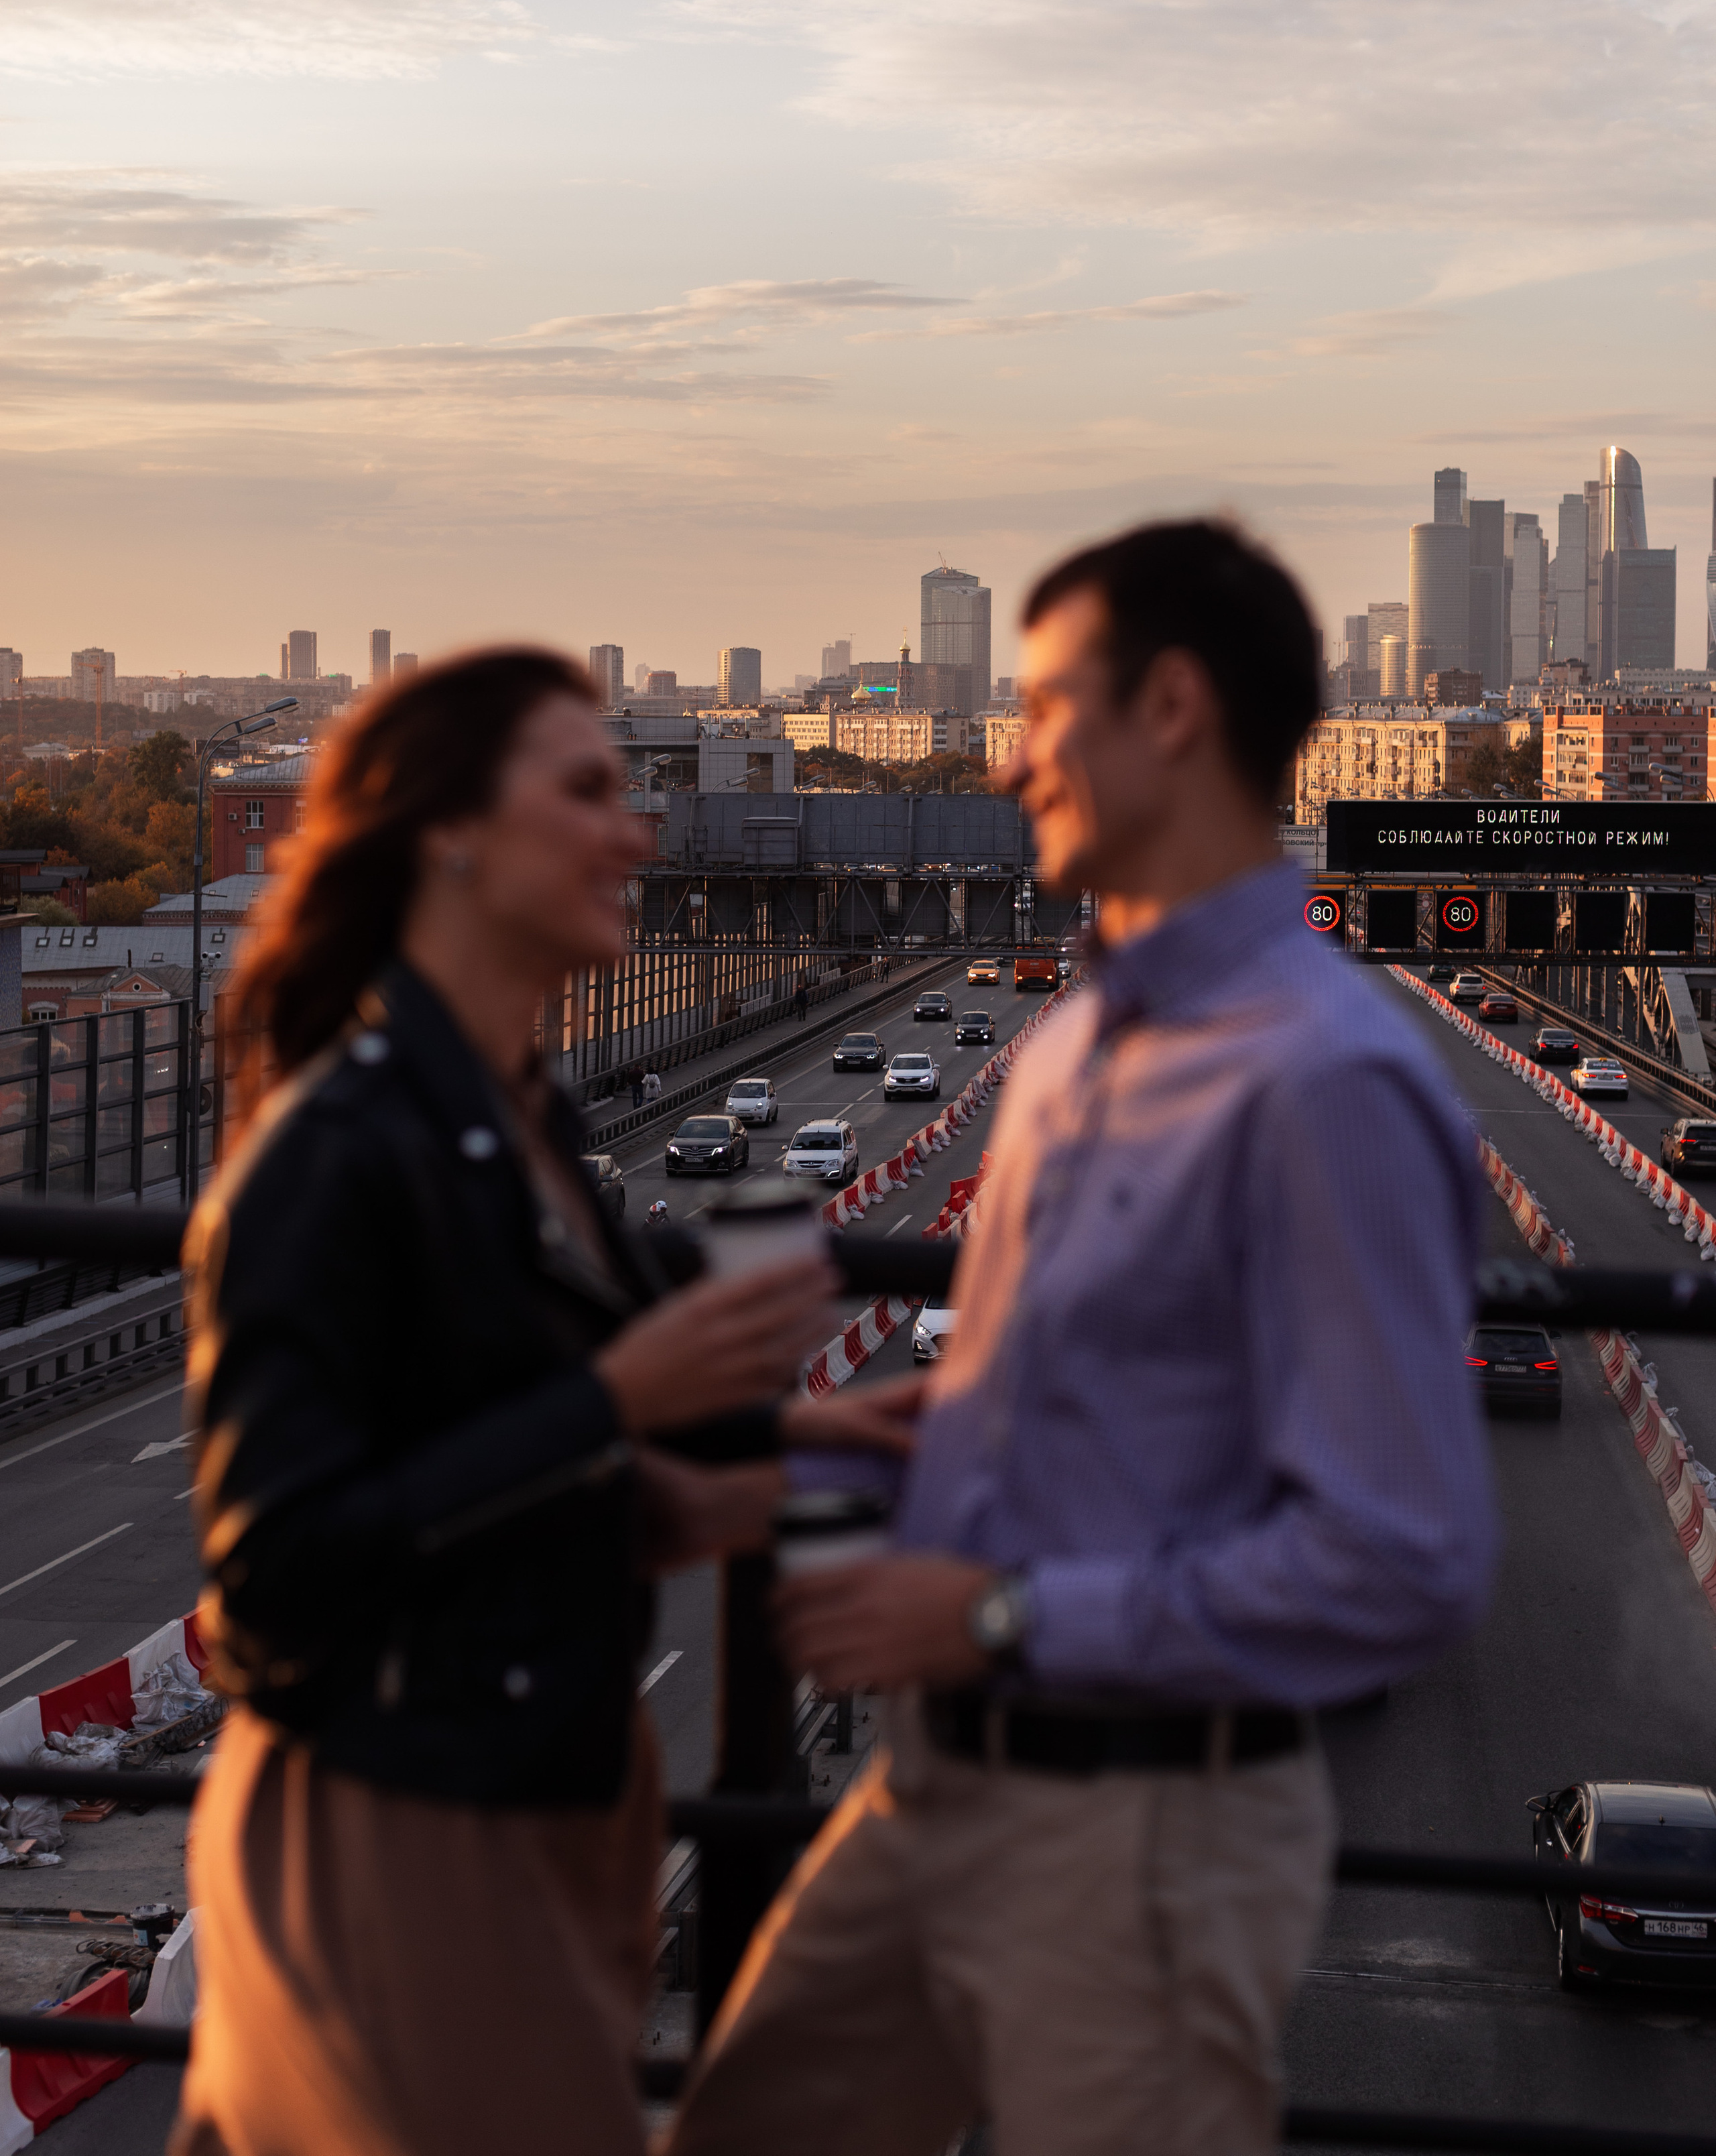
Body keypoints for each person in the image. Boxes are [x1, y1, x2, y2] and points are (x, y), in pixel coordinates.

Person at [667, 522, 1497, 2156]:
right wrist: (901, 1440)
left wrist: (992, 1609)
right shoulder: (1068, 1049)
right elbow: (1118, 1397)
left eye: (1044, 707)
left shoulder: (1323, 1081)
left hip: (1142, 1836)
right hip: (935, 1788)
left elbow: (1402, 1556)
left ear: (1171, 709)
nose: (1006, 756)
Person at [170, 648, 918, 2156]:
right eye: (585, 791)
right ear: (449, 832)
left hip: (545, 1807)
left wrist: (779, 1466)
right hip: (406, 1831)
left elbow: (513, 1494)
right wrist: (619, 1394)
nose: (636, 831)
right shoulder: (341, 1148)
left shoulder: (520, 1125)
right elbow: (274, 1581)